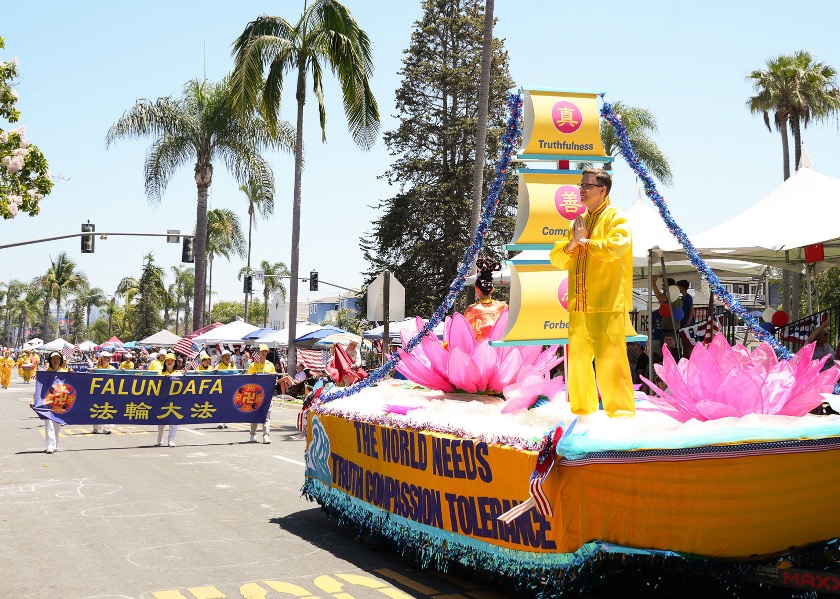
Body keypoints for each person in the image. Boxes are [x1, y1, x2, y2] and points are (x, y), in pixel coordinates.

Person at [549, 168, 635, 419]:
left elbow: (614, 248)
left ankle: (620, 415)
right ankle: (582, 413)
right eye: (581, 185)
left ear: (602, 190)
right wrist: (573, 243)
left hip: (606, 303)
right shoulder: (577, 222)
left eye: (587, 186)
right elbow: (557, 258)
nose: (581, 190)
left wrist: (586, 243)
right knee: (577, 363)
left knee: (611, 361)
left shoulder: (616, 218)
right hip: (579, 306)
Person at [463, 256, 508, 342]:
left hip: (480, 349)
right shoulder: (502, 307)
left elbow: (464, 332)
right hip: (501, 349)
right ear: (492, 289)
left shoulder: (472, 309)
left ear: (477, 289)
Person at [39, 351, 70, 453]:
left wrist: (72, 374)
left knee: (57, 425)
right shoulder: (45, 372)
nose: (55, 360)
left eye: (57, 359)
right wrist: (33, 400)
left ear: (60, 360)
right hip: (47, 402)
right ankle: (50, 446)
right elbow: (39, 387)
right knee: (48, 424)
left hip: (60, 402)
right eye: (53, 359)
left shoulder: (66, 372)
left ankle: (55, 444)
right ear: (50, 360)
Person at [246, 344, 274, 443]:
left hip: (267, 394)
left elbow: (273, 380)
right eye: (262, 351)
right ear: (258, 352)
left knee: (267, 416)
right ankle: (253, 434)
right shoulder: (252, 365)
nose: (264, 353)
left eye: (265, 351)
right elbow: (247, 380)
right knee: (255, 415)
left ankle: (266, 435)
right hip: (255, 395)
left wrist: (273, 376)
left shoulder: (270, 365)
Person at [156, 354, 180, 447]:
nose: (170, 362)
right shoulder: (160, 373)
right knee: (161, 421)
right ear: (165, 362)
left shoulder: (178, 374)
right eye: (168, 360)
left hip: (174, 400)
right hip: (162, 400)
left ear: (174, 362)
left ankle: (171, 440)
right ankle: (160, 435)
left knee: (173, 421)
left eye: (172, 360)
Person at [92, 351, 115, 434]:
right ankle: (96, 427)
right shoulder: (96, 368)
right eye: (106, 357)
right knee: (97, 408)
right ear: (102, 358)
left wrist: (121, 371)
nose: (108, 359)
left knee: (108, 408)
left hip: (109, 391)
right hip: (98, 392)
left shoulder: (112, 368)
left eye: (109, 358)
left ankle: (106, 427)